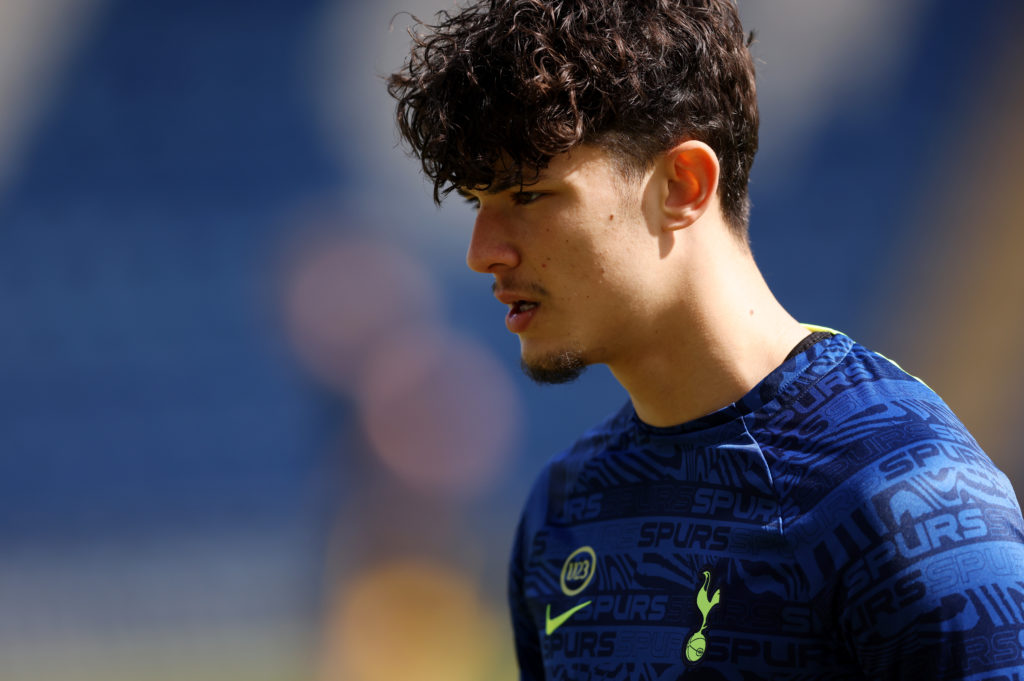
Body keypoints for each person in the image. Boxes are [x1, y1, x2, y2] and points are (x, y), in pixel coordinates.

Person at [387, 1, 1024, 678]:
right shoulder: (563, 511)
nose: (482, 252)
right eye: (477, 202)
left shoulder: (913, 497)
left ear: (683, 185)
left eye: (529, 195)